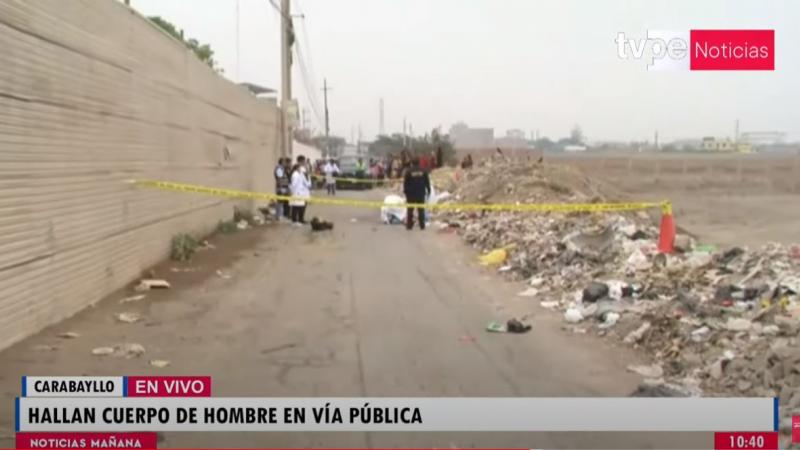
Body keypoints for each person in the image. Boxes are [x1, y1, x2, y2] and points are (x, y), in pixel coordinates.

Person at [403, 158, 431, 231]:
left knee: (410, 210)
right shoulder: (423, 171)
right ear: (419, 163)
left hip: (411, 194)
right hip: (420, 193)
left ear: (412, 163)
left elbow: (405, 183)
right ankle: (422, 225)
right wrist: (428, 190)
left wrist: (406, 192)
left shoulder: (409, 171)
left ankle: (409, 226)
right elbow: (427, 182)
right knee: (421, 210)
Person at [289, 155, 311, 225]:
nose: (305, 162)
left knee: (301, 205)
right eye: (303, 161)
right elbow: (293, 184)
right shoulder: (297, 170)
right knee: (297, 206)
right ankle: (296, 220)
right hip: (298, 192)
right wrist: (292, 191)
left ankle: (300, 219)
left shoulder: (302, 169)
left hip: (303, 191)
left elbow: (305, 179)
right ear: (300, 161)